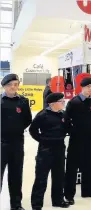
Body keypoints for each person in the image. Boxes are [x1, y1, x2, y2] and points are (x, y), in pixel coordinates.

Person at [29, 93, 70, 210]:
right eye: (61, 101)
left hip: (60, 148)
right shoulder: (43, 115)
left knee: (59, 176)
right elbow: (33, 130)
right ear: (52, 104)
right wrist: (42, 140)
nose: (63, 103)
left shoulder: (63, 114)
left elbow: (68, 128)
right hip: (46, 149)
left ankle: (58, 200)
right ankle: (36, 204)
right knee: (41, 177)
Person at [0, 74, 32, 210]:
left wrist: (16, 129)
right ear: (4, 86)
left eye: (15, 84)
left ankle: (16, 205)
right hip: (1, 143)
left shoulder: (23, 101)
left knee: (16, 175)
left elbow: (27, 120)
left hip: (17, 143)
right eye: (10, 85)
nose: (13, 87)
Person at [64, 77, 91, 204]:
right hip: (76, 139)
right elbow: (66, 119)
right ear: (82, 87)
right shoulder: (74, 102)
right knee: (72, 168)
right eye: (88, 87)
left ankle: (87, 191)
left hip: (89, 138)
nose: (90, 89)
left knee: (88, 165)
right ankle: (69, 195)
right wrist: (72, 131)